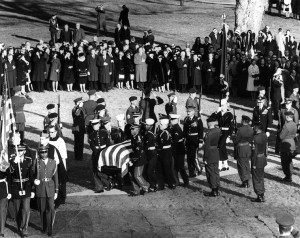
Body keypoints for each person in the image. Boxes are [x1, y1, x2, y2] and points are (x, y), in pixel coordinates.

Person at [9, 133, 34, 238]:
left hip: (26, 186)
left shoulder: (28, 161)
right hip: (16, 187)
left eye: (21, 152)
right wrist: (14, 163)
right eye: (17, 152)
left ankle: (25, 229)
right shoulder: (12, 159)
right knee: (18, 209)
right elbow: (10, 174)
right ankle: (20, 226)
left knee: (26, 209)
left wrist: (32, 189)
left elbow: (31, 175)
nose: (19, 153)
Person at [33, 145, 58, 237]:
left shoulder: (53, 162)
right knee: (42, 209)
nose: (43, 154)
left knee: (51, 208)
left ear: (48, 152)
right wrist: (34, 181)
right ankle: (44, 227)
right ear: (39, 153)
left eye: (45, 152)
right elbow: (33, 174)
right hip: (41, 187)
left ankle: (50, 229)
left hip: (50, 187)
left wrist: (56, 191)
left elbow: (56, 177)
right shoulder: (37, 163)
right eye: (41, 153)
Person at [88, 119, 111, 193]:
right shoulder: (91, 135)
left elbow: (108, 144)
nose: (95, 126)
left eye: (96, 125)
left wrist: (105, 152)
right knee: (95, 170)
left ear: (99, 125)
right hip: (96, 154)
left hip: (104, 153)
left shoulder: (104, 133)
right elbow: (92, 145)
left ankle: (109, 181)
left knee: (103, 170)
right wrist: (96, 152)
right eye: (93, 125)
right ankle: (99, 187)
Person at [48, 125, 68, 206]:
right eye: (49, 132)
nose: (51, 134)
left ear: (56, 132)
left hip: (59, 164)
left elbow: (63, 156)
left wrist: (64, 168)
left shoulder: (60, 141)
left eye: (52, 132)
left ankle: (61, 198)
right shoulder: (47, 140)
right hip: (49, 165)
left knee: (60, 182)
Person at [129, 123, 150, 196]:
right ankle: (139, 189)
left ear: (137, 130)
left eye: (133, 129)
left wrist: (132, 160)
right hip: (137, 158)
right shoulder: (134, 137)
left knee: (137, 175)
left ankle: (146, 186)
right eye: (131, 129)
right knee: (135, 175)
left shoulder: (138, 139)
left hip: (140, 159)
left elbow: (138, 152)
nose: (131, 130)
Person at [203, 114, 221, 197]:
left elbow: (206, 147)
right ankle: (217, 187)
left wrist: (205, 158)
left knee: (210, 172)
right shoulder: (218, 131)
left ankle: (214, 190)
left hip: (209, 153)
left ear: (209, 123)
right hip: (216, 152)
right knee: (215, 171)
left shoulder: (208, 134)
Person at [183, 105, 204, 178]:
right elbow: (185, 131)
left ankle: (199, 168)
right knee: (189, 157)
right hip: (188, 140)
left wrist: (200, 141)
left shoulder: (198, 120)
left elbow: (201, 131)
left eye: (189, 111)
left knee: (194, 156)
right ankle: (191, 172)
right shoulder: (186, 119)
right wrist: (184, 139)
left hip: (195, 140)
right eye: (187, 111)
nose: (188, 113)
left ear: (193, 112)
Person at [156, 116, 176, 190]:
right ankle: (162, 184)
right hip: (164, 152)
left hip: (165, 152)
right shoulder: (162, 132)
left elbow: (161, 144)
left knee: (166, 168)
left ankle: (171, 183)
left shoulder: (164, 133)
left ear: (165, 125)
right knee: (160, 168)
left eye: (161, 124)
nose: (160, 125)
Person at [234, 115, 254, 188]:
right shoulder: (251, 129)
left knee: (241, 165)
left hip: (241, 149)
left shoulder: (240, 130)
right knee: (246, 164)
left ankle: (244, 181)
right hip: (247, 148)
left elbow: (236, 140)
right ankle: (247, 179)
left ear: (243, 121)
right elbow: (251, 139)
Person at [214, 99, 234, 171]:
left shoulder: (229, 114)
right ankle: (225, 165)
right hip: (219, 132)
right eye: (220, 105)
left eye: (222, 105)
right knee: (223, 148)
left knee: (219, 147)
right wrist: (216, 112)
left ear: (226, 105)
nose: (221, 107)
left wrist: (229, 136)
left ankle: (220, 165)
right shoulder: (219, 113)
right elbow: (212, 119)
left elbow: (232, 126)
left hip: (226, 132)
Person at [169, 114, 189, 186]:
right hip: (176, 149)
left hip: (179, 149)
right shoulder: (173, 127)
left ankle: (186, 181)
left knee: (180, 167)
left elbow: (175, 141)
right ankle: (176, 181)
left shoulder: (176, 128)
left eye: (173, 120)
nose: (172, 121)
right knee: (176, 167)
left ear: (177, 120)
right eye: (171, 119)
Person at [251, 122, 268, 203]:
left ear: (257, 128)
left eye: (254, 127)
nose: (253, 128)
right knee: (261, 177)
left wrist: (254, 164)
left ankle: (259, 195)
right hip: (262, 158)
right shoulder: (264, 135)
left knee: (256, 178)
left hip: (257, 160)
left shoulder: (255, 138)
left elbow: (254, 152)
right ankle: (262, 193)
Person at [280, 110, 297, 182]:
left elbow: (281, 136)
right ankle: (290, 175)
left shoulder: (286, 125)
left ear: (287, 116)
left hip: (285, 145)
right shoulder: (294, 124)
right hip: (292, 143)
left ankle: (288, 176)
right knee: (289, 161)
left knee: (285, 162)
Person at [144, 118, 157, 192]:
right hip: (150, 153)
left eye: (147, 125)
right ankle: (152, 184)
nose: (146, 126)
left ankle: (155, 184)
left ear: (150, 126)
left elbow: (147, 146)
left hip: (151, 154)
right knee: (148, 170)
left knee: (150, 171)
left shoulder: (149, 134)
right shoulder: (148, 133)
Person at [0, 154, 10, 238]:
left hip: (2, 188)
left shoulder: (4, 162)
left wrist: (3, 165)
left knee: (2, 210)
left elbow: (8, 176)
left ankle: (1, 230)